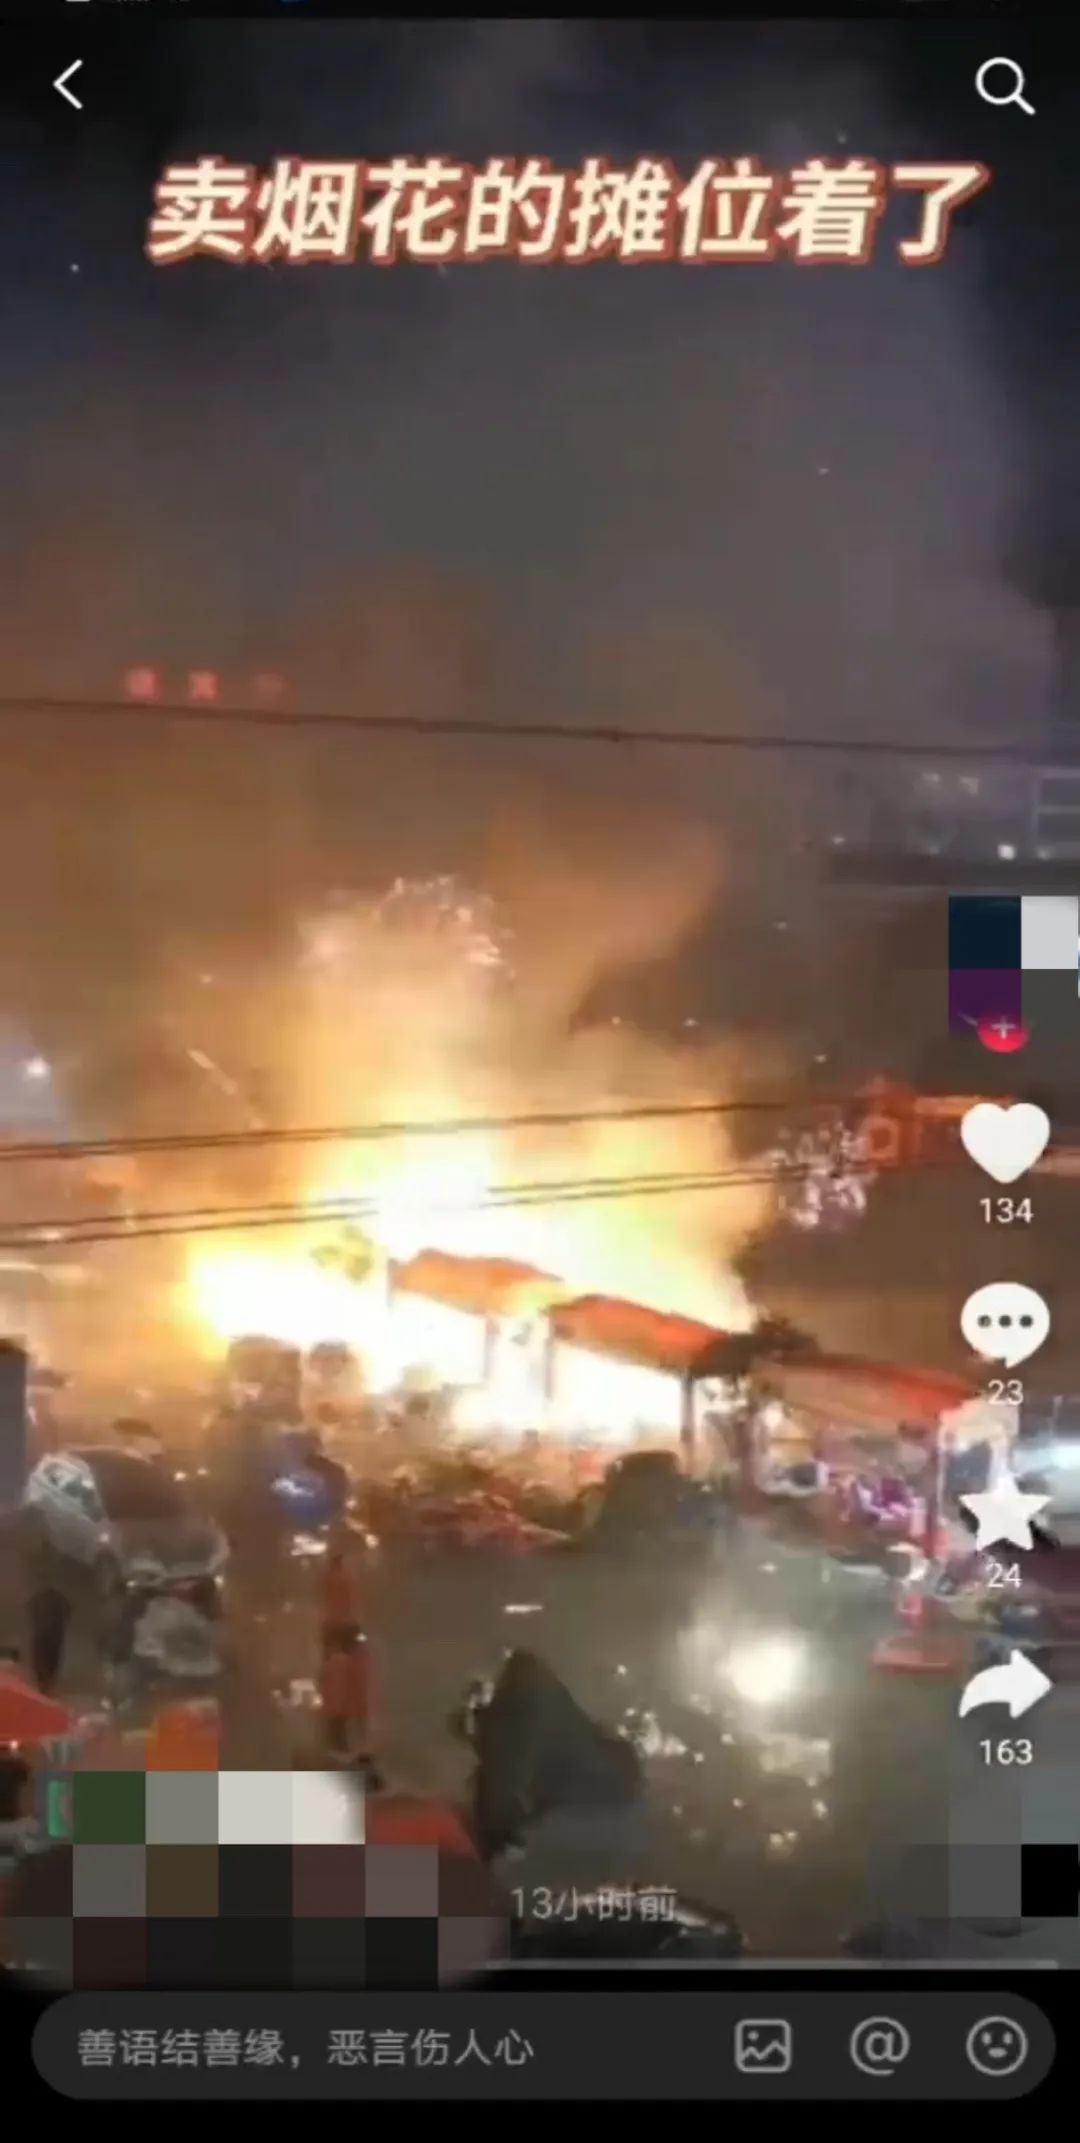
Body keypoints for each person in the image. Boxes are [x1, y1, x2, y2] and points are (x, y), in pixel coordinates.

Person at [319, 1624, 372, 1760]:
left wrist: (332, 1706)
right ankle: (349, 1753)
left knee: (340, 1733)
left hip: (342, 1708)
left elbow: (335, 1687)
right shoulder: (350, 1660)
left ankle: (343, 1753)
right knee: (344, 1732)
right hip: (348, 1708)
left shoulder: (338, 1661)